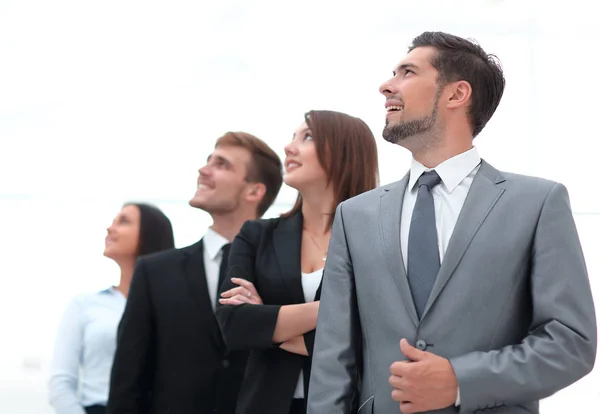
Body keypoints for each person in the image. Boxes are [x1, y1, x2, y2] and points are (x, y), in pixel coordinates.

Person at [307, 31, 597, 414]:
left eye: (407, 72)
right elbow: (332, 359)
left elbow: (570, 343)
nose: (386, 86)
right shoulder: (354, 215)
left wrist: (461, 381)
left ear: (456, 94)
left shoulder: (538, 203)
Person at [106, 132, 283, 414]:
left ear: (254, 191)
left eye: (222, 164)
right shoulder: (154, 272)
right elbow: (128, 379)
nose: (203, 170)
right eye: (208, 161)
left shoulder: (285, 271)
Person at [216, 110, 379, 414]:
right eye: (293, 138)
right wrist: (345, 311)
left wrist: (269, 321)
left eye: (308, 137)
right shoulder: (256, 235)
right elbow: (235, 325)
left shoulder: (377, 239)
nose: (289, 148)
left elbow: (382, 337)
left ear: (346, 151)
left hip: (350, 404)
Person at [49, 203, 175, 414]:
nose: (110, 228)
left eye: (124, 221)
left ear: (149, 234)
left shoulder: (174, 307)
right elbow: (61, 384)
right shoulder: (85, 306)